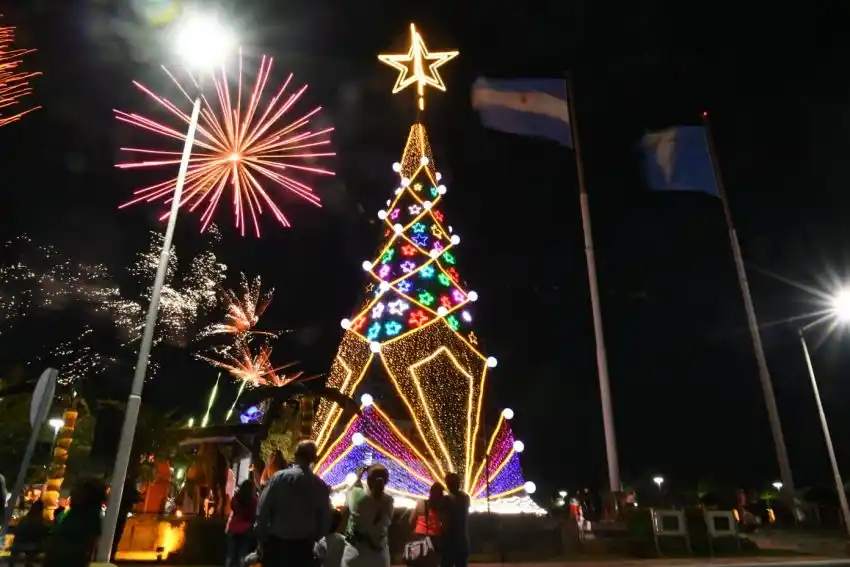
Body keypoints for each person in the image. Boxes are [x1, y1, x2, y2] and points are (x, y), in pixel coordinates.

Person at [255, 440, 331, 567]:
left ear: (295, 456)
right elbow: (325, 519)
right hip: (303, 548)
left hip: (278, 544)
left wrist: (261, 540)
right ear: (314, 458)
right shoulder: (319, 486)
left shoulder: (279, 478)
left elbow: (263, 508)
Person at [42, 477, 107, 567]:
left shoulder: (87, 515)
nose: (72, 494)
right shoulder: (77, 513)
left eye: (76, 491)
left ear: (87, 495)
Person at [341, 464, 394, 567]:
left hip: (355, 556)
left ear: (368, 481)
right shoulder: (388, 501)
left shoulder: (356, 496)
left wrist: (359, 476)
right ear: (386, 481)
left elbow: (353, 492)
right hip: (380, 557)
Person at [405, 483, 443, 567]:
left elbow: (411, 521)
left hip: (418, 537)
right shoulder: (443, 507)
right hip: (434, 540)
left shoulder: (421, 503)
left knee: (416, 562)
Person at [439, 473, 469, 567]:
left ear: (447, 485)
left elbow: (444, 520)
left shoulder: (446, 500)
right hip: (462, 540)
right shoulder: (465, 498)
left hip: (449, 541)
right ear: (459, 484)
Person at [226, 480, 258, 567]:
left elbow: (233, 508)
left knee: (231, 553)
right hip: (246, 530)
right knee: (243, 554)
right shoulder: (253, 501)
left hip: (233, 528)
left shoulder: (235, 499)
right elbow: (254, 516)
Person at [7, 500, 48, 567]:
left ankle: (11, 564)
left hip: (20, 543)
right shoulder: (40, 521)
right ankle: (29, 563)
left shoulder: (25, 519)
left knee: (16, 549)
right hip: (33, 544)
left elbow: (18, 530)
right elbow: (43, 532)